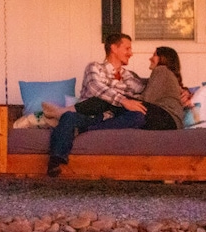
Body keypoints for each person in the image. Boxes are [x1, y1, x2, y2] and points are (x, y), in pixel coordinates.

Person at [46, 33, 147, 176]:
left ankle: (86, 129)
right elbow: (96, 88)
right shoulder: (95, 67)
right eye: (127, 48)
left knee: (138, 116)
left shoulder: (129, 76)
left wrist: (181, 89)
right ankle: (56, 160)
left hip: (111, 118)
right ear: (114, 48)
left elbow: (147, 86)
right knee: (68, 117)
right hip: (89, 114)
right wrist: (124, 100)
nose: (131, 53)